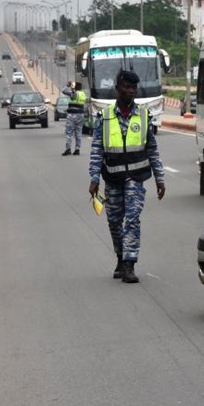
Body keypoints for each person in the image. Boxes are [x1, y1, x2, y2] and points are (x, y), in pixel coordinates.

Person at [88, 70, 166, 284]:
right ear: (118, 88)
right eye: (126, 87)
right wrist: (94, 178)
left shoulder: (143, 115)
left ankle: (130, 264)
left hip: (136, 178)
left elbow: (152, 149)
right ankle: (120, 258)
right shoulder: (104, 117)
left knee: (132, 219)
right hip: (112, 178)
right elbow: (97, 150)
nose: (130, 91)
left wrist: (160, 178)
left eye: (133, 88)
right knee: (114, 220)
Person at [61, 81, 86, 156]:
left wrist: (67, 85)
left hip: (72, 115)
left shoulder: (74, 94)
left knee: (69, 132)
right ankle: (77, 149)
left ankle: (68, 149)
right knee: (78, 132)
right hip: (80, 115)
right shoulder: (83, 94)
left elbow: (63, 91)